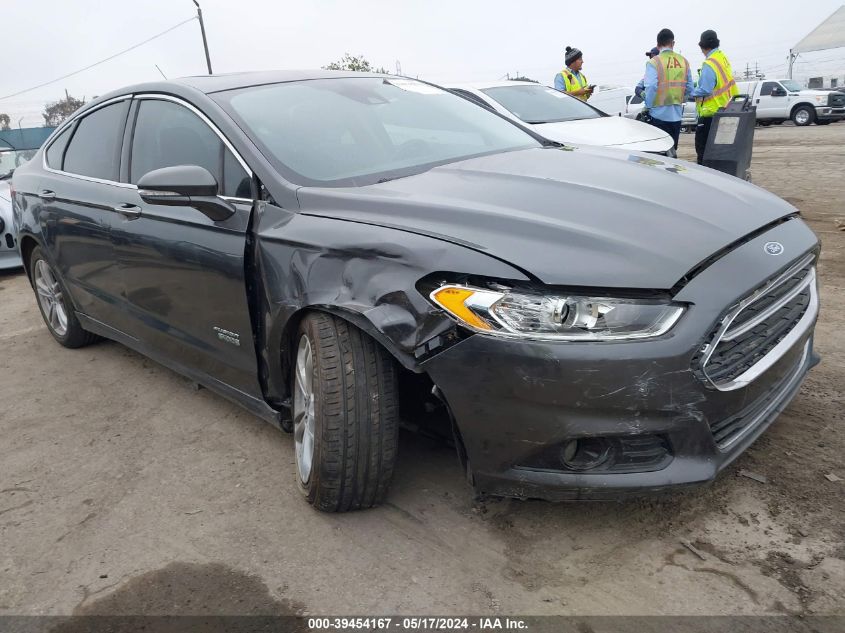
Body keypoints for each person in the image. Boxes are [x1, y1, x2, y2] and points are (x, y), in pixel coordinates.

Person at [691, 29, 738, 164]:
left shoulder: (709, 63)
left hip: (710, 115)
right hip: (726, 110)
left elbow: (705, 89)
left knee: (703, 155)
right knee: (719, 155)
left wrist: (690, 93)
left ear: (702, 46)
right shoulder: (722, 57)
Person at [642, 29, 694, 151]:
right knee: (672, 155)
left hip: (658, 117)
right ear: (673, 43)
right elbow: (690, 88)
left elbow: (651, 87)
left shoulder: (654, 62)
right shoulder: (684, 62)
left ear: (657, 44)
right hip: (676, 117)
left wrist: (648, 106)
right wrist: (678, 98)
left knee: (659, 157)